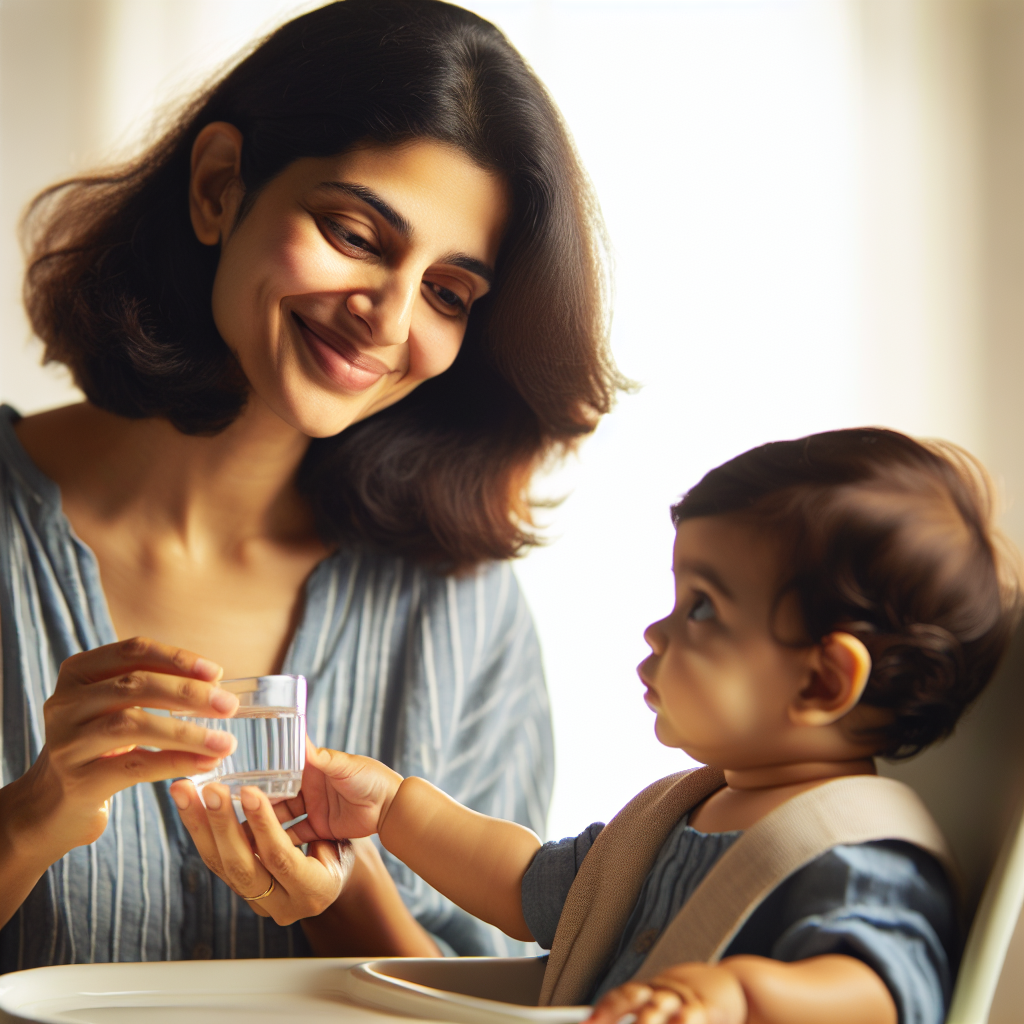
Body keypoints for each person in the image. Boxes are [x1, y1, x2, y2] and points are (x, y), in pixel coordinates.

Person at [0, 0, 625, 969]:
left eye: (448, 293)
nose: (387, 319)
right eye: (356, 232)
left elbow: (490, 1001)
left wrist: (340, 896)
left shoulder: (461, 614)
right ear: (218, 188)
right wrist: (28, 819)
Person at [272, 428, 1021, 1024]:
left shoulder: (855, 854)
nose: (658, 632)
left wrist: (740, 997)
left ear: (822, 680)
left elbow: (879, 989)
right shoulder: (672, 817)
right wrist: (392, 807)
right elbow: (526, 883)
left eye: (703, 608)